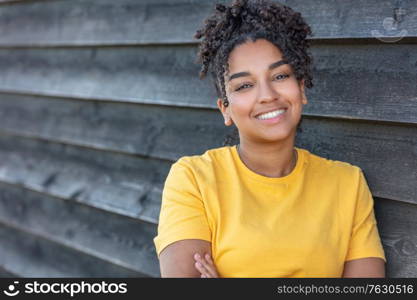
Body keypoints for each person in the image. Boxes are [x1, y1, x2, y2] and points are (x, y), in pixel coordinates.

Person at [153, 0, 386, 278]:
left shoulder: (348, 184)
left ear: (301, 89)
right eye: (245, 85)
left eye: (280, 75)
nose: (267, 95)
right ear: (225, 108)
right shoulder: (194, 179)